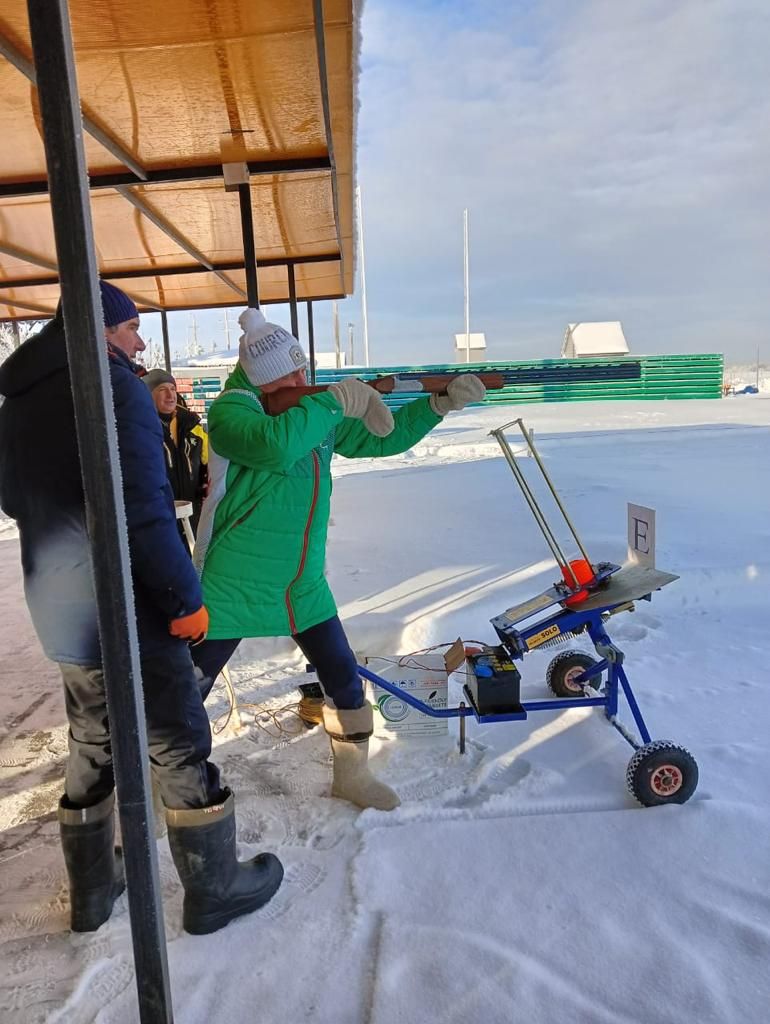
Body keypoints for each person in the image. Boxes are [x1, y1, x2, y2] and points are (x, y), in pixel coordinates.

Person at [0, 282, 282, 936]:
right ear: (101, 330)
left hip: (56, 601)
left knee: (92, 736)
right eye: (131, 329)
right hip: (127, 603)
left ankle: (95, 891)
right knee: (175, 735)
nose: (140, 342)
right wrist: (185, 600)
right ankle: (213, 890)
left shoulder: (15, 402)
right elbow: (145, 512)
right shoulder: (115, 387)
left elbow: (14, 501)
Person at [192, 308, 486, 812]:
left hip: (301, 584)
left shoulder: (313, 412)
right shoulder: (231, 413)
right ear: (263, 378)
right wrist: (332, 403)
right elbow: (275, 446)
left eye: (304, 370)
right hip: (230, 584)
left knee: (344, 680)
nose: (303, 380)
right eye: (291, 374)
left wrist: (436, 405)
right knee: (185, 694)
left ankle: (353, 775)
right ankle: (164, 786)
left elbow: (379, 437)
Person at [143, 369, 209, 535]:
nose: (170, 395)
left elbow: (210, 466)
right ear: (148, 394)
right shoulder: (143, 430)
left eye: (172, 389)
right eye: (162, 390)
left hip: (193, 520)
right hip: (159, 520)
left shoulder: (194, 429)